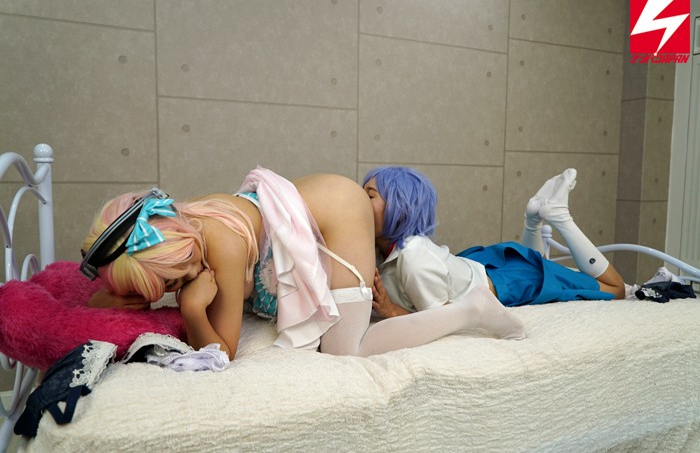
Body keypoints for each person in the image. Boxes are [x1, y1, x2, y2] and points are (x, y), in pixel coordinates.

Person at [81, 167, 526, 361]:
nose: (188, 281)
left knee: (347, 351)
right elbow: (129, 273)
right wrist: (117, 295)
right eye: (172, 284)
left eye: (182, 273)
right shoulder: (177, 220)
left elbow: (221, 353)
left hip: (339, 210)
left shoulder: (223, 245)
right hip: (322, 198)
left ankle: (472, 308)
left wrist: (194, 309)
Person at [363, 166, 626, 319]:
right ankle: (533, 219)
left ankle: (559, 216)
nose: (359, 201)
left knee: (616, 290)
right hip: (478, 266)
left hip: (508, 281)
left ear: (400, 207)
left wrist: (392, 311)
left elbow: (442, 322)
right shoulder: (378, 249)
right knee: (541, 266)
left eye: (370, 195)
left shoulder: (414, 259)